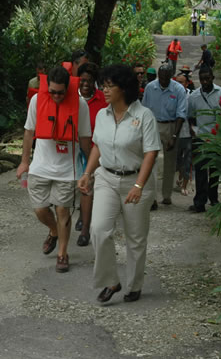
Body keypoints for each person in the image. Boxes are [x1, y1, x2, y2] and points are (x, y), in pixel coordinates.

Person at [77, 64, 160, 303]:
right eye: (103, 85)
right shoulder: (102, 115)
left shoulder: (144, 116)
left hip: (135, 180)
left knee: (135, 237)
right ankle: (111, 280)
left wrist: (139, 186)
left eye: (109, 85)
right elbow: (97, 146)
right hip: (106, 178)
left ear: (123, 88)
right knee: (98, 229)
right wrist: (87, 173)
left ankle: (134, 285)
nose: (104, 89)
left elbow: (151, 153)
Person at [16, 66, 92, 273]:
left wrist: (90, 168)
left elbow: (85, 138)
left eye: (61, 92)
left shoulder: (80, 105)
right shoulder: (36, 101)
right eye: (53, 92)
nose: (56, 96)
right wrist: (24, 161)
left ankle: (62, 253)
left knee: (62, 210)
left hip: (68, 168)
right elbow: (29, 131)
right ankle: (53, 230)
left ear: (68, 88)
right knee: (40, 209)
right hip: (41, 165)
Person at [187, 67, 221, 213]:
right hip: (201, 139)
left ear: (213, 78)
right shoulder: (194, 96)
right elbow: (191, 116)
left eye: (207, 78)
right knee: (201, 171)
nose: (205, 81)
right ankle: (199, 202)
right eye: (202, 79)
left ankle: (213, 198)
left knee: (215, 171)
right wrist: (193, 130)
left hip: (218, 139)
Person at [141, 64, 187, 209]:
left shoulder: (179, 90)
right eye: (161, 77)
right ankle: (152, 197)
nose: (163, 80)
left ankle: (166, 196)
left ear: (171, 76)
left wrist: (174, 135)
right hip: (153, 125)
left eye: (166, 78)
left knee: (169, 163)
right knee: (150, 161)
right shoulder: (150, 87)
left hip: (171, 125)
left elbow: (181, 114)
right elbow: (145, 109)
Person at [74, 62, 106, 247]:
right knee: (76, 187)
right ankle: (80, 214)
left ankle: (85, 229)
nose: (85, 84)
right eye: (83, 80)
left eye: (90, 81)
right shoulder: (71, 98)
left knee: (88, 187)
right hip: (73, 150)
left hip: (94, 150)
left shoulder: (101, 99)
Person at [174, 74, 193, 197]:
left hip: (188, 133)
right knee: (177, 160)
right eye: (177, 82)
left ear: (187, 83)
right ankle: (180, 176)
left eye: (182, 82)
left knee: (188, 160)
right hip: (175, 133)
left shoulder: (192, 96)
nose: (179, 85)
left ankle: (185, 183)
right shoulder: (172, 95)